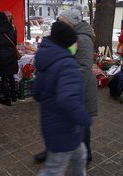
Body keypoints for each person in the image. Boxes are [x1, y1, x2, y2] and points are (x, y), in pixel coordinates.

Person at [32, 21, 92, 176]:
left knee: (80, 155)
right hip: (65, 128)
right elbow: (68, 99)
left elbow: (36, 92)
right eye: (74, 43)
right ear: (68, 44)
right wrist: (85, 118)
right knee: (54, 169)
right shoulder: (68, 65)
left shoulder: (46, 59)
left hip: (52, 124)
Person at [52, 6, 97, 163]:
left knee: (81, 123)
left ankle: (86, 154)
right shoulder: (75, 36)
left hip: (80, 88)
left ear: (70, 22)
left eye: (63, 22)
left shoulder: (83, 39)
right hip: (74, 86)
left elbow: (83, 68)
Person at [0, 12, 19, 106]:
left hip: (1, 55)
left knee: (4, 77)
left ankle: (7, 99)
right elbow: (15, 42)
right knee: (11, 76)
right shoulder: (11, 28)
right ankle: (14, 97)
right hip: (11, 55)